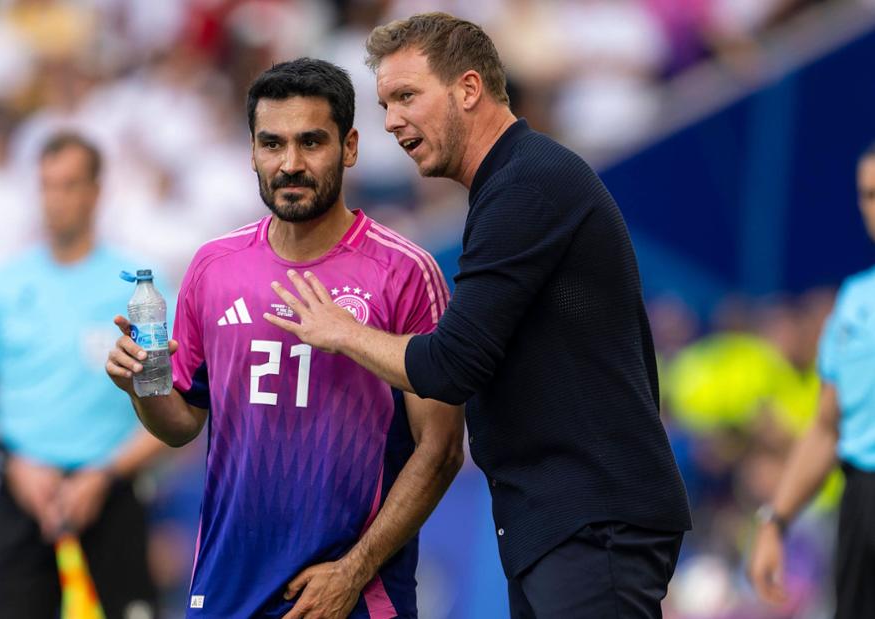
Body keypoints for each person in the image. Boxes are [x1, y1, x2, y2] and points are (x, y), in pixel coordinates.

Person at [265, 13, 691, 618]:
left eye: (407, 96)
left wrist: (342, 331)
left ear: (468, 89)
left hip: (592, 522)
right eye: (386, 104)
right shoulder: (514, 184)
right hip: (568, 521)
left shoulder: (527, 185)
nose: (391, 121)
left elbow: (450, 366)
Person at [104, 58, 465, 618]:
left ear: (349, 147)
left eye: (311, 142)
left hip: (348, 594)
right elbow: (180, 426)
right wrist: (141, 387)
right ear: (251, 151)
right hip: (226, 588)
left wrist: (353, 572)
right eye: (272, 144)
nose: (290, 164)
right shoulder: (212, 267)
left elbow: (440, 451)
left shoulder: (404, 272)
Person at [0, 132, 165, 619]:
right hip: (22, 491)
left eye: (69, 185)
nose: (56, 199)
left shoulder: (139, 287)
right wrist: (15, 467)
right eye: (47, 186)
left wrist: (104, 473)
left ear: (96, 191)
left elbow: (173, 407)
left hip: (111, 492)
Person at [748, 142, 875, 618]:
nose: (874, 207)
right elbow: (826, 426)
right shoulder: (853, 304)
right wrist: (775, 521)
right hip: (861, 502)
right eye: (867, 195)